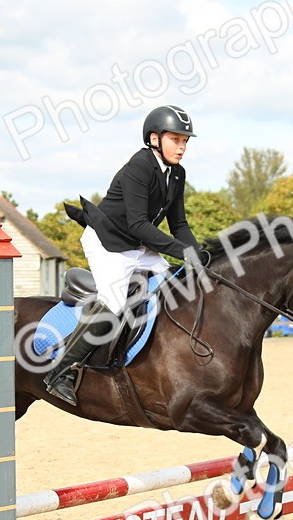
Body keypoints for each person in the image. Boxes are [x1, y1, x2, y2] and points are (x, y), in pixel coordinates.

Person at [49, 105, 203, 405]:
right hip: (108, 242)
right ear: (155, 138)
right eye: (176, 139)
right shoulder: (139, 167)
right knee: (115, 301)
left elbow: (179, 224)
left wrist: (197, 255)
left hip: (137, 244)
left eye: (186, 141)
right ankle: (61, 370)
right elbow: (139, 224)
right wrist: (181, 251)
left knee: (177, 285)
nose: (182, 147)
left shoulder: (177, 174)